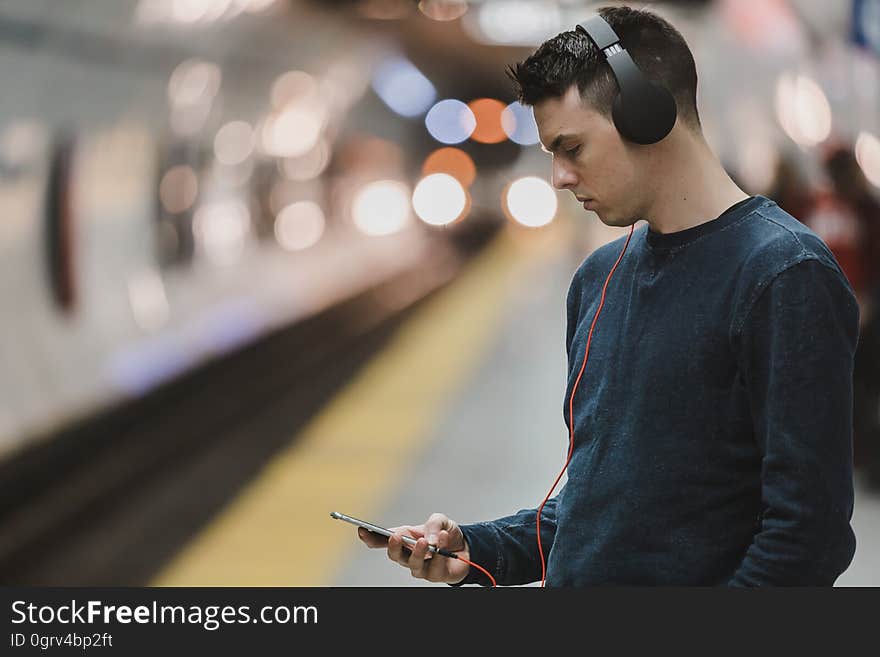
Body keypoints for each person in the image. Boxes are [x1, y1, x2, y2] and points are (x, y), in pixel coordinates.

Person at [357, 5, 859, 586]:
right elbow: (597, 508)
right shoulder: (598, 279)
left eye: (572, 148)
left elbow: (807, 537)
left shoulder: (782, 274)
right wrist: (475, 549)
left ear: (647, 117)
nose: (559, 178)